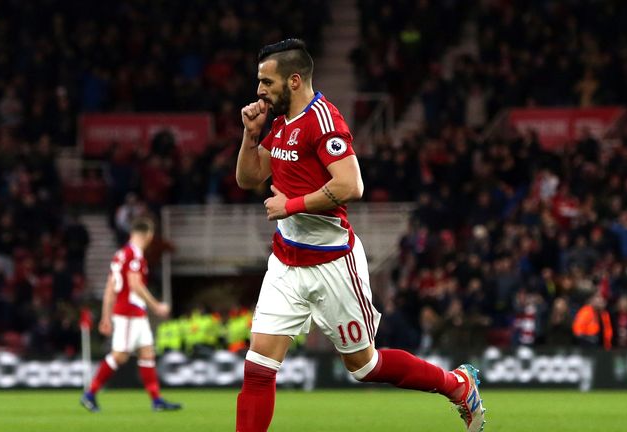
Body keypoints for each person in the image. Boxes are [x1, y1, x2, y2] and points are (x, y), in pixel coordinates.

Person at [234, 39, 486, 432]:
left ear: (294, 80)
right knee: (258, 368)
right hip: (286, 263)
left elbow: (352, 185)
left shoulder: (324, 121)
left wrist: (292, 205)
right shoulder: (280, 122)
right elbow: (249, 177)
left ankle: (457, 384)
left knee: (365, 366)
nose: (260, 91)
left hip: (333, 263)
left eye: (266, 81)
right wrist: (250, 136)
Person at [80, 217, 181, 412]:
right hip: (129, 312)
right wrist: (156, 305)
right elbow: (135, 283)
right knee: (120, 355)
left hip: (131, 312)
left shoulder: (120, 255)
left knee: (147, 353)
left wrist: (105, 315)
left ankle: (156, 400)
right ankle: (90, 393)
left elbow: (110, 286)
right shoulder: (135, 255)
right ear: (148, 234)